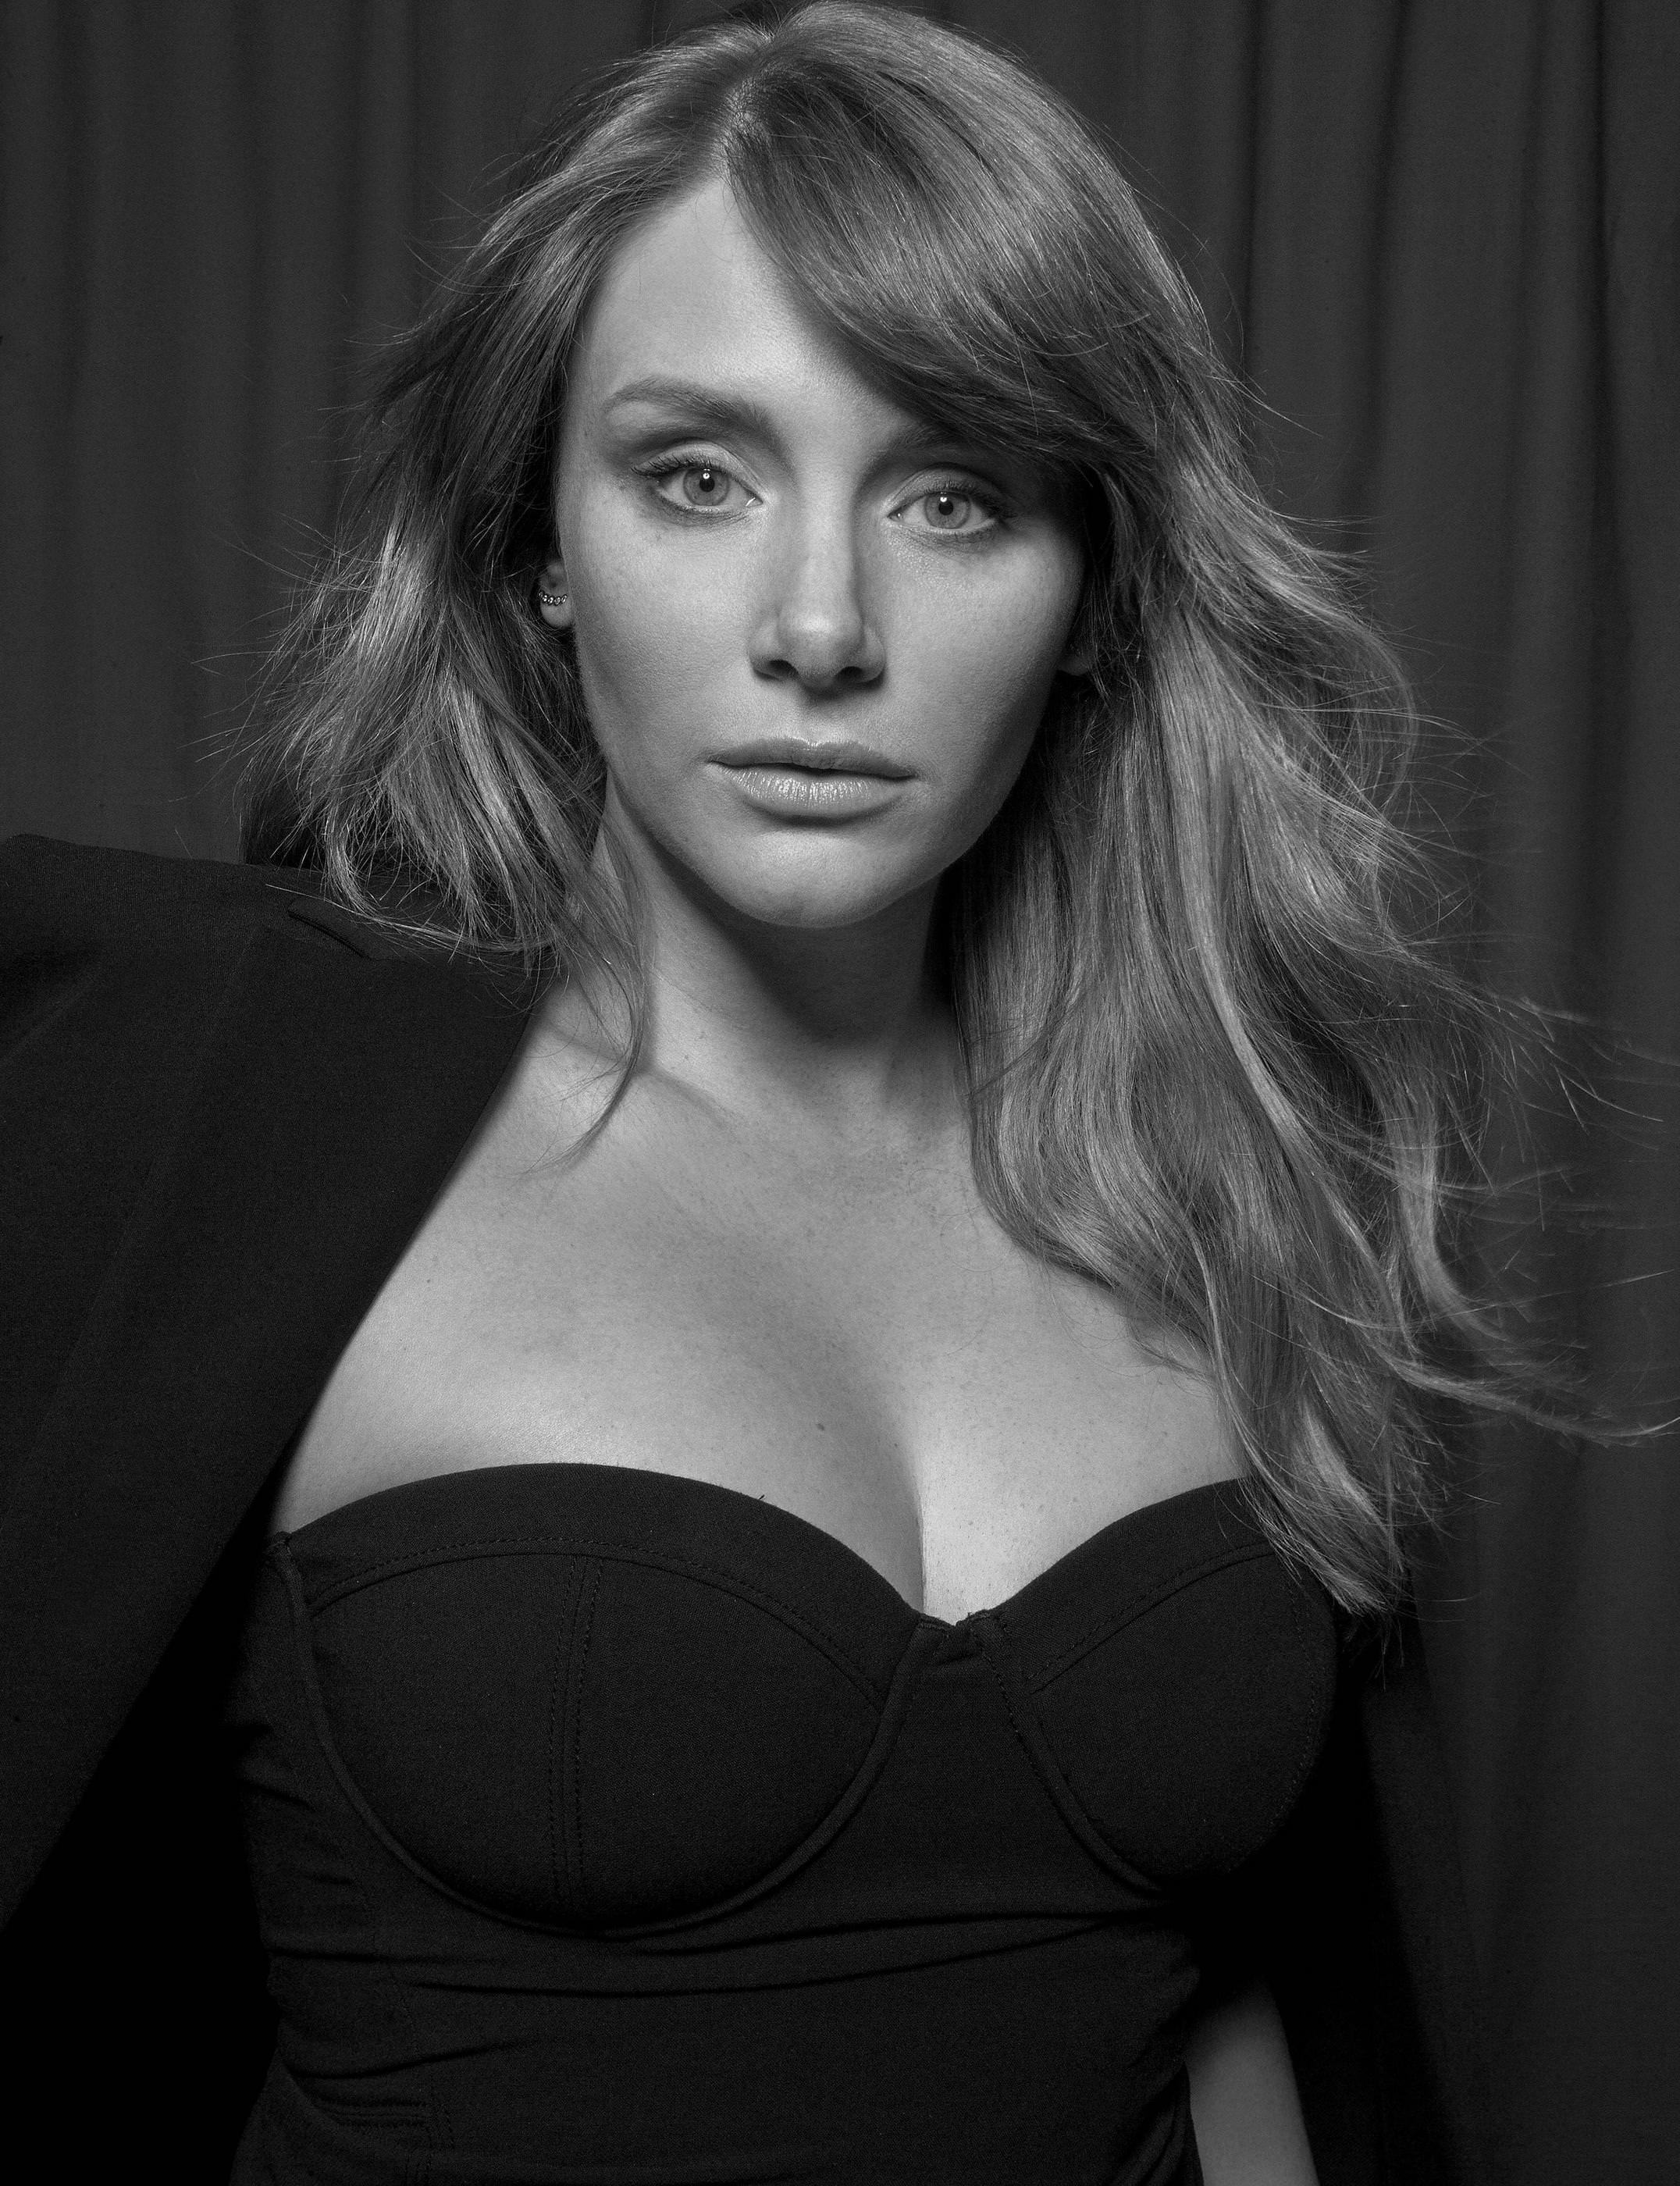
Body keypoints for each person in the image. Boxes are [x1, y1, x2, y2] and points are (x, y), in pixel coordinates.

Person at [1, 5, 1509, 2180]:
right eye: (697, 477)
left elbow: (1211, 2001)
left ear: (1097, 590)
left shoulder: (1219, 1174)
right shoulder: (234, 1112)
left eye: (954, 497)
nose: (820, 626)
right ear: (536, 549)